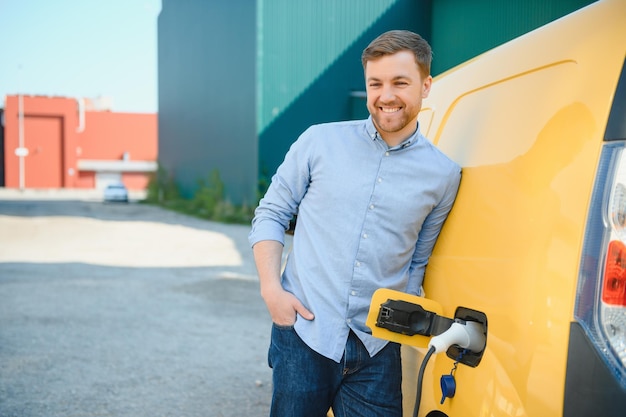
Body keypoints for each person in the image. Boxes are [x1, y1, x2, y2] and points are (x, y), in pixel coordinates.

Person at [248, 30, 461, 417]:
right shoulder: (318, 142)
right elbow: (271, 214)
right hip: (304, 335)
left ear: (426, 85)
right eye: (375, 84)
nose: (386, 96)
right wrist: (271, 290)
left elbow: (417, 261)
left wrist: (406, 319)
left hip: (377, 349)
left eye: (400, 82)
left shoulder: (443, 175)